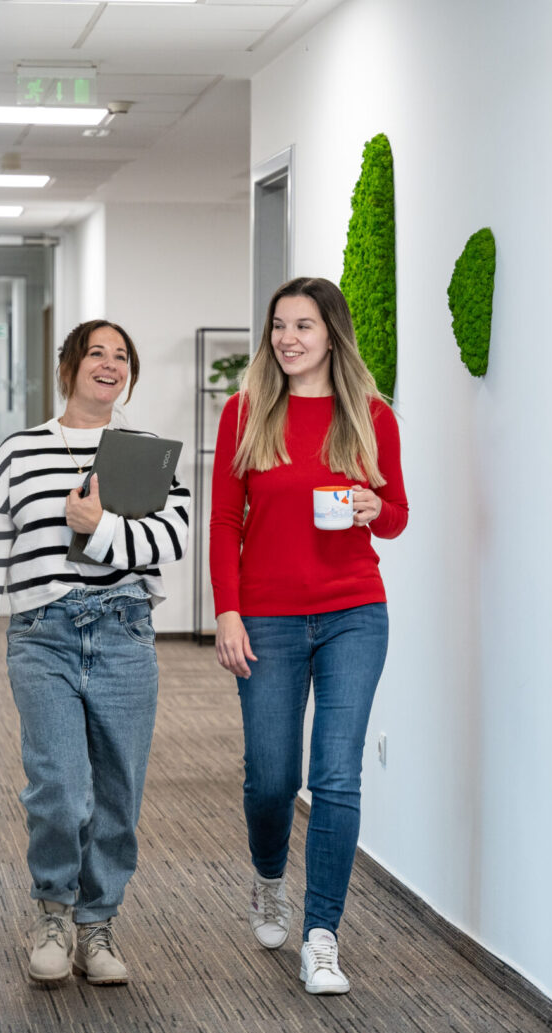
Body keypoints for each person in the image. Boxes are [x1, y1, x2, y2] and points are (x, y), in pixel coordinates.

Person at [0, 319, 190, 987]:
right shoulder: (19, 451)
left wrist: (101, 528)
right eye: (96, 353)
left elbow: (173, 537)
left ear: (128, 375)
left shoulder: (145, 453)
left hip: (124, 631)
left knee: (117, 791)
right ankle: (54, 910)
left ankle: (97, 924)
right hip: (42, 633)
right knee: (59, 788)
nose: (109, 365)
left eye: (121, 356)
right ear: (70, 367)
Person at [209, 277, 409, 995]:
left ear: (332, 334)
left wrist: (369, 505)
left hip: (354, 609)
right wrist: (227, 611)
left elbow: (396, 518)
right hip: (266, 616)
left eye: (303, 325)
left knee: (336, 776)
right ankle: (269, 879)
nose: (288, 338)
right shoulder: (245, 412)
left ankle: (322, 936)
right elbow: (226, 523)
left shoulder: (371, 416)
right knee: (272, 780)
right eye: (279, 326)